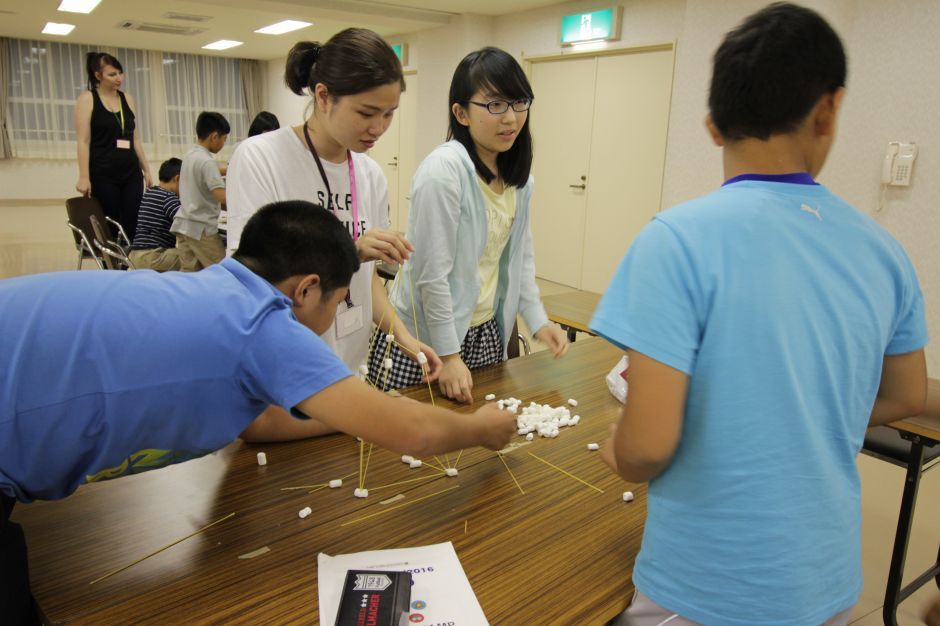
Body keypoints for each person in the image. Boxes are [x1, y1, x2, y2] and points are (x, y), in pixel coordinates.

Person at [0, 200, 516, 622]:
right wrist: (482, 428)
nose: (334, 315)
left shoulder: (216, 287)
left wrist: (362, 410)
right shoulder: (262, 324)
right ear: (306, 289)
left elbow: (260, 422)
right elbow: (413, 434)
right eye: (338, 303)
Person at [591, 4, 928, 626]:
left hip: (701, 586)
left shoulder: (675, 240)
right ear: (828, 110)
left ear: (713, 125)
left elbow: (648, 443)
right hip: (823, 582)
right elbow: (906, 392)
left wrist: (620, 451)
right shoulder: (885, 252)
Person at [227, 28, 442, 438]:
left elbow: (365, 282)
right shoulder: (260, 158)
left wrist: (402, 334)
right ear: (323, 97)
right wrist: (348, 252)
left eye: (389, 113)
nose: (379, 127)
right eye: (366, 113)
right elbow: (251, 286)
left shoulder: (370, 174)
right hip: (282, 375)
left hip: (345, 371)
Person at [370, 47, 567, 403]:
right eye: (494, 105)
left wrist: (538, 320)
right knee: (406, 449)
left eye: (519, 102)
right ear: (460, 113)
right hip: (426, 339)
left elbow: (518, 260)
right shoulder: (443, 172)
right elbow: (432, 275)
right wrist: (448, 356)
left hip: (483, 331)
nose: (510, 118)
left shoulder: (520, 181)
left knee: (477, 444)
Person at [74, 51, 152, 242]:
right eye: (112, 74)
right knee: (110, 221)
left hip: (130, 172)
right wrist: (84, 176)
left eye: (120, 73)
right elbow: (83, 141)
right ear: (97, 75)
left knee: (133, 221)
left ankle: (130, 266)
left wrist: (147, 170)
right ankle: (111, 266)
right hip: (103, 172)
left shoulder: (128, 99)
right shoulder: (88, 99)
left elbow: (135, 139)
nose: (118, 78)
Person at [171, 112, 229, 271]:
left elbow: (208, 171)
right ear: (214, 136)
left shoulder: (191, 155)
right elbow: (221, 196)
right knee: (222, 272)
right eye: (224, 138)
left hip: (184, 224)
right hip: (201, 229)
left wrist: (230, 169)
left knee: (190, 275)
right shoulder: (207, 161)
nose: (224, 143)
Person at [129, 158, 183, 271]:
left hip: (134, 256)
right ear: (177, 179)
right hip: (153, 256)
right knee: (193, 257)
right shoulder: (169, 198)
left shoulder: (150, 192)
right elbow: (186, 223)